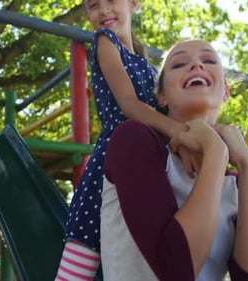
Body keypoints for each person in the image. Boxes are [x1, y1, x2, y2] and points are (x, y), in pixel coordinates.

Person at [100, 38, 248, 280]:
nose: (197, 65)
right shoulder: (134, 142)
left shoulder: (234, 183)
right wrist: (216, 151)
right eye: (179, 64)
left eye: (209, 60)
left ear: (226, 92)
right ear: (162, 97)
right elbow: (174, 271)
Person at [54, 0, 198, 280]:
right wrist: (182, 134)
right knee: (77, 267)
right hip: (108, 169)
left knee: (134, 259)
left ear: (133, 3)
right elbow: (128, 105)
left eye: (111, 1)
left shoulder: (145, 63)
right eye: (94, 5)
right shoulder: (105, 41)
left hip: (142, 170)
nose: (104, 10)